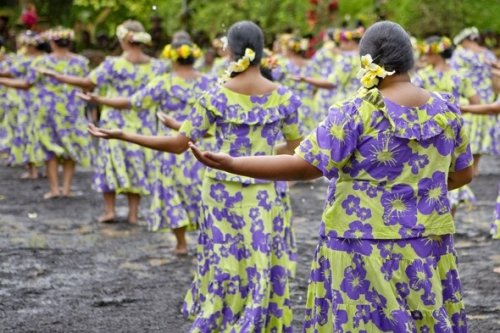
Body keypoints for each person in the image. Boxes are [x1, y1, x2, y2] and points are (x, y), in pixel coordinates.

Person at [189, 21, 473, 332]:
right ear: (411, 59)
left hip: (360, 244)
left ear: (366, 62)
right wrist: (416, 190)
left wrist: (232, 163)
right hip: (427, 241)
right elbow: (462, 176)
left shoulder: (355, 113)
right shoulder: (446, 112)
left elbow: (303, 166)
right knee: (425, 318)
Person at [89, 20, 302, 331]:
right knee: (261, 262)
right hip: (266, 193)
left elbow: (179, 145)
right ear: (261, 51)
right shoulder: (286, 98)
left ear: (229, 51)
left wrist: (124, 134)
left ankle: (226, 322)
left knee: (225, 263)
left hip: (221, 194)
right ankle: (255, 323)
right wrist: (262, 152)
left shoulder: (214, 96)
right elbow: (294, 149)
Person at [79, 39, 212, 255]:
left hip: (170, 147)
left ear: (171, 57)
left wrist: (99, 99)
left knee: (172, 192)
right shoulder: (210, 82)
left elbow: (132, 102)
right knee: (202, 191)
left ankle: (181, 243)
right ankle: (206, 240)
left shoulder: (164, 82)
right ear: (194, 56)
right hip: (204, 146)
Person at [40, 20, 167, 223]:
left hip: (114, 121)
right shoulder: (158, 67)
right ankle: (133, 214)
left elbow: (88, 83)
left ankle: (110, 211)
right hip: (143, 123)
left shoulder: (113, 64)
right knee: (137, 164)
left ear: (123, 40)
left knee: (110, 164)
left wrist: (57, 76)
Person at [0, 27, 93, 199]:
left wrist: (2, 81)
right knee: (70, 147)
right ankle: (66, 189)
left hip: (47, 110)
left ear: (52, 42)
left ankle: (54, 189)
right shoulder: (80, 62)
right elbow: (88, 84)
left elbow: (27, 84)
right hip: (72, 109)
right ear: (70, 42)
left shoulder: (43, 62)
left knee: (50, 149)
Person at [413, 36, 481, 214]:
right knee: (454, 171)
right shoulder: (459, 76)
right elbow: (476, 101)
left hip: (427, 133)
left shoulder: (422, 76)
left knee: (429, 172)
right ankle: (449, 223)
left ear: (438, 52)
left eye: (427, 52)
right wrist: (457, 110)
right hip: (454, 133)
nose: (424, 56)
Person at [0, 30, 47, 179]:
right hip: (49, 101)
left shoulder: (28, 61)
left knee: (29, 133)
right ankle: (47, 168)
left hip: (29, 101)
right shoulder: (48, 59)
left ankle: (32, 170)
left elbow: (10, 74)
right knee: (44, 133)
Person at [451, 27, 497, 174]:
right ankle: (472, 171)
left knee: (463, 141)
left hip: (468, 101)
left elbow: (453, 77)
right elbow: (495, 83)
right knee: (477, 140)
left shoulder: (459, 54)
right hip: (486, 102)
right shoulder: (488, 55)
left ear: (465, 41)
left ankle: (465, 175)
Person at [272, 35, 317, 134]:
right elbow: (315, 85)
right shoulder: (310, 64)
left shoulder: (283, 63)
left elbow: (273, 77)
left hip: (290, 103)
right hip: (308, 104)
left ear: (290, 50)